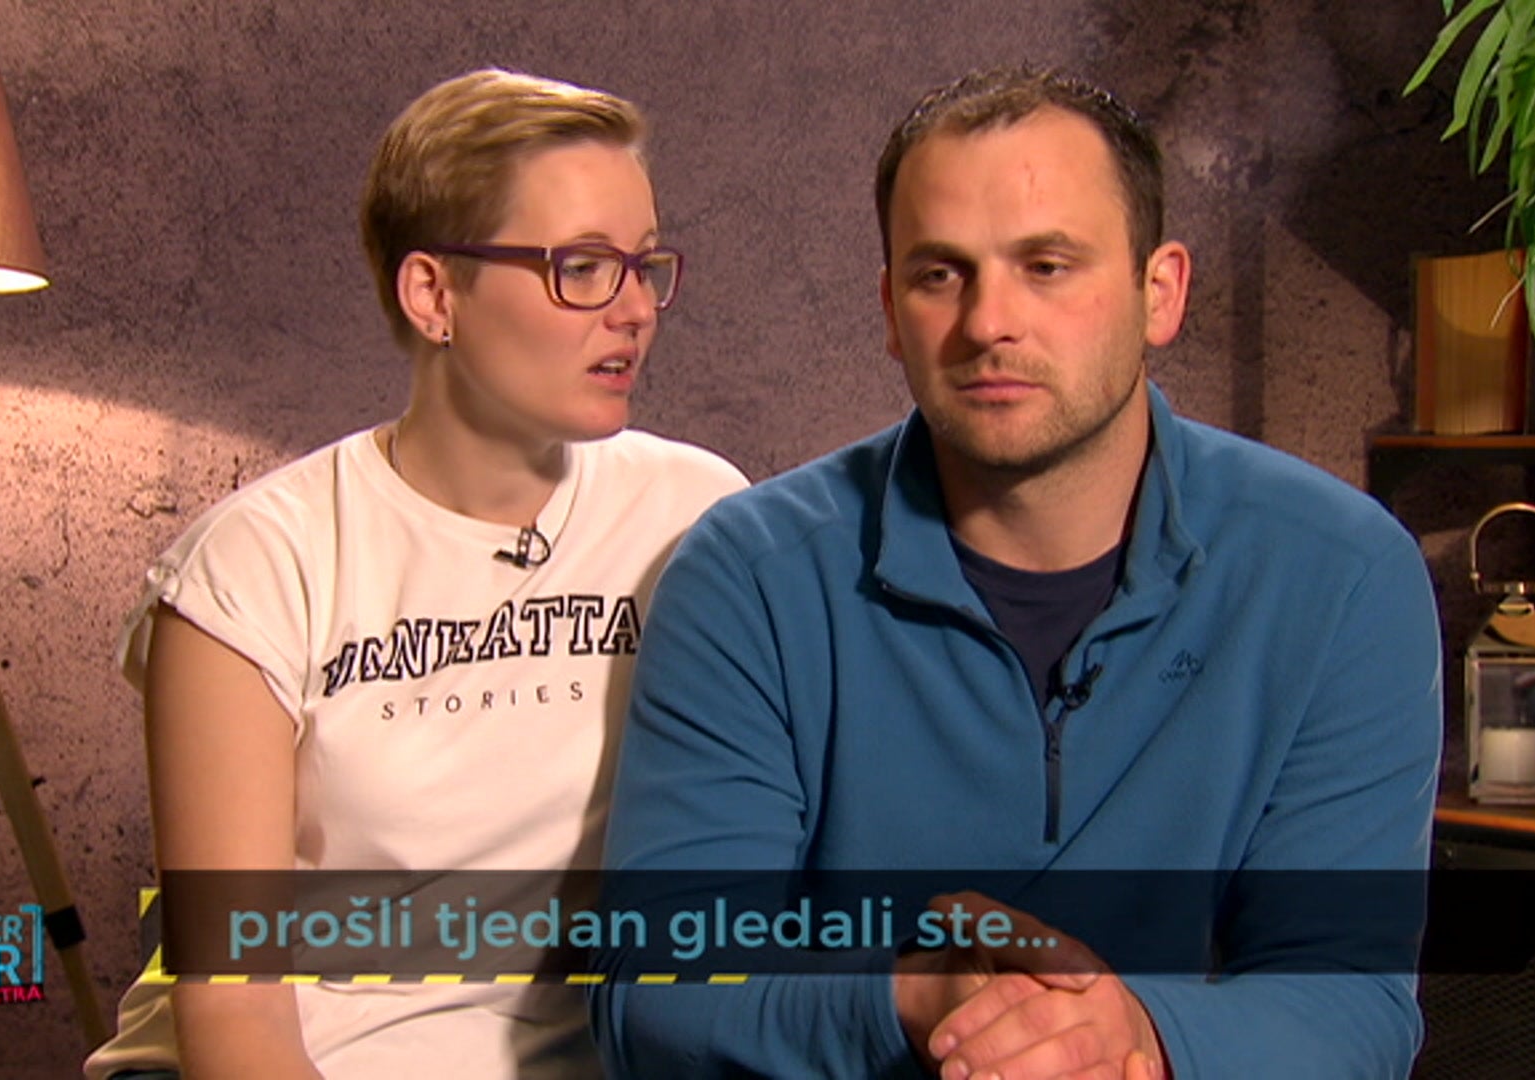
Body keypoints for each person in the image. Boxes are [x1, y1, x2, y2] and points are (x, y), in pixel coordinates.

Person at [590, 65, 1441, 1078]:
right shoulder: (748, 577)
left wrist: (1143, 1038)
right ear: (890, 309)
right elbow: (656, 989)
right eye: (940, 275)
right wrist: (911, 998)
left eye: (1047, 265)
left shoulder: (1342, 576)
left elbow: (1351, 1001)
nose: (990, 321)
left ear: (1160, 292)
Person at [83, 69, 746, 1079]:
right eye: (581, 267)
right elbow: (234, 1012)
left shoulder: (695, 513)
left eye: (644, 266)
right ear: (434, 294)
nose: (634, 311)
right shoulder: (256, 565)